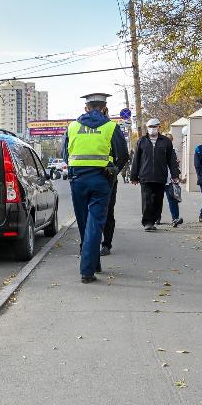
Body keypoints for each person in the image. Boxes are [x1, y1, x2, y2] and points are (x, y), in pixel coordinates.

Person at [62, 93, 129, 283]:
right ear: (104, 107)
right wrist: (114, 171)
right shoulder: (111, 127)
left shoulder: (72, 127)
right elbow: (123, 155)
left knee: (84, 224)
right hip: (101, 180)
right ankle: (87, 271)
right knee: (95, 225)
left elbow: (64, 154)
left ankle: (93, 263)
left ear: (86, 108)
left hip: (78, 180)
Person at [130, 118, 180, 231]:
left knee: (158, 200)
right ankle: (147, 222)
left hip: (160, 176)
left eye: (154, 126)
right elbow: (136, 160)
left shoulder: (166, 141)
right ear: (147, 128)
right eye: (150, 127)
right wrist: (134, 176)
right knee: (147, 200)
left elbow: (171, 160)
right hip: (145, 176)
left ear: (159, 127)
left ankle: (153, 220)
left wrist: (175, 174)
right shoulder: (141, 141)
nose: (152, 129)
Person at [97, 104, 129, 257]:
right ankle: (97, 244)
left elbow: (123, 154)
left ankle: (104, 244)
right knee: (102, 211)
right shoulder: (80, 127)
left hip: (105, 177)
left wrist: (115, 170)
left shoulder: (111, 128)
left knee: (105, 211)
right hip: (97, 177)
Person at [160, 133, 183, 227]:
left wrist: (177, 173)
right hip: (160, 179)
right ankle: (156, 218)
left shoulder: (174, 151)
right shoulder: (158, 151)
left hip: (171, 180)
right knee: (157, 200)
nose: (168, 142)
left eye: (170, 140)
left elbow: (175, 166)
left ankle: (175, 218)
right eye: (167, 140)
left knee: (173, 199)